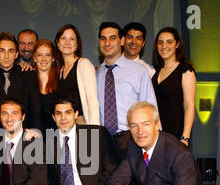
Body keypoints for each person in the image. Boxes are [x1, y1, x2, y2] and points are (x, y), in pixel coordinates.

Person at [96, 22, 158, 162]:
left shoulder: (139, 71)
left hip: (131, 140)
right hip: (102, 143)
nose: (107, 43)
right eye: (103, 38)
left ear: (122, 41)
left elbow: (151, 110)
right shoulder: (95, 74)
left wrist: (153, 148)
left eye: (112, 38)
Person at [152, 27, 196, 146]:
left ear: (177, 44)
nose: (164, 46)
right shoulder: (155, 71)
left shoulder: (185, 70)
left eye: (169, 42)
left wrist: (185, 138)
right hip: (155, 133)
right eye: (160, 42)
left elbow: (189, 106)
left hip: (176, 133)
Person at [0, 32, 42, 129]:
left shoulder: (28, 75)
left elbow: (36, 110)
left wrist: (36, 132)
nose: (6, 56)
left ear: (16, 54)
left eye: (10, 51)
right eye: (2, 51)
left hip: (25, 136)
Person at [55, 24, 100, 125]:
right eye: (63, 38)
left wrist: (93, 130)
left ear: (77, 44)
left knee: (86, 142)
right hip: (64, 124)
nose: (67, 42)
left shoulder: (84, 64)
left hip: (81, 122)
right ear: (57, 43)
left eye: (72, 39)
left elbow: (92, 100)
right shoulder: (60, 71)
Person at [33, 39, 60, 132]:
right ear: (34, 58)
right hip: (35, 135)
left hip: (57, 133)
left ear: (53, 58)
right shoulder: (28, 79)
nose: (43, 59)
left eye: (47, 55)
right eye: (39, 55)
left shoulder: (61, 79)